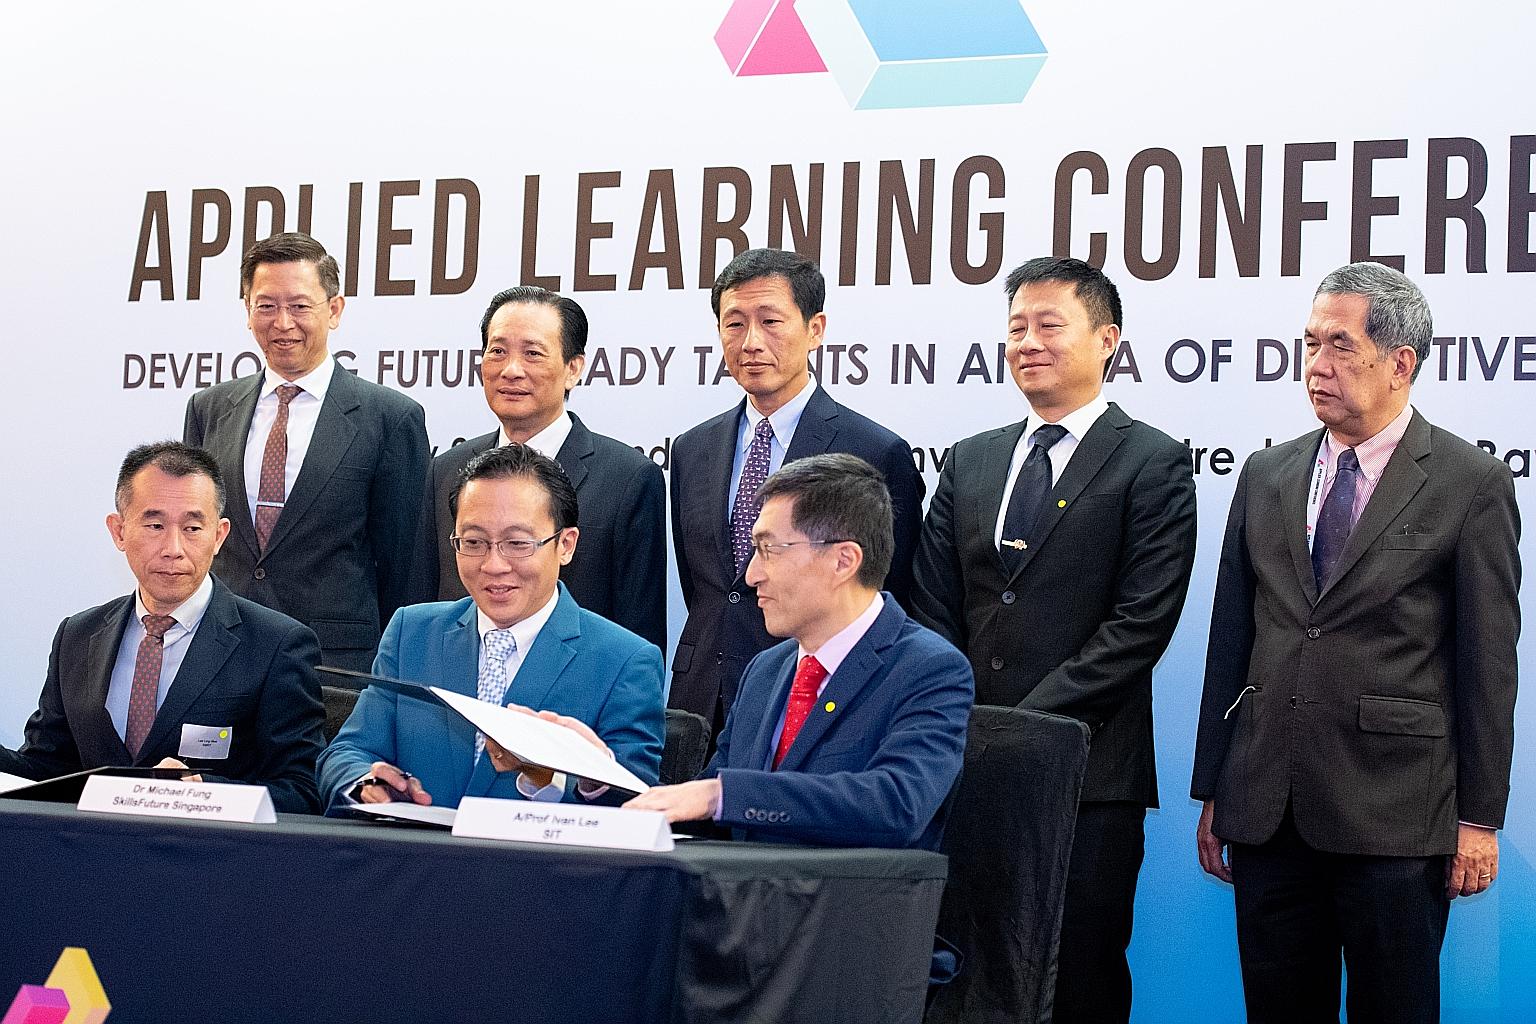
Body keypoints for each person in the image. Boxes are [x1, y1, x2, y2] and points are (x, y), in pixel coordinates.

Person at [1191, 262, 1519, 1024]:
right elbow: (1231, 637)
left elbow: (1487, 665)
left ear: (1400, 362)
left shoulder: (1470, 484)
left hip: (1397, 814)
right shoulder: (1267, 473)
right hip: (1268, 807)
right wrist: (1215, 786)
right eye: (1309, 344)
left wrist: (1478, 819)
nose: (1315, 366)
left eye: (1340, 346)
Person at [911, 256, 1197, 1024]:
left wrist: (1024, 729)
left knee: (1079, 972)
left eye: (1048, 325)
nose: (1028, 342)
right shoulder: (969, 458)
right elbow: (934, 603)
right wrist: (962, 718)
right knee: (963, 969)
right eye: (1015, 328)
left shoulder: (1153, 460)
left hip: (1088, 774)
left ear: (1107, 340)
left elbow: (1139, 626)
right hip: (961, 763)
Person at [548, 454, 972, 849]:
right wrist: (599, 774)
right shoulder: (766, 671)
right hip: (743, 914)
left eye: (768, 549)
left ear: (843, 561)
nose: (750, 575)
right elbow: (704, 809)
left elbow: (897, 803)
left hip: (848, 918)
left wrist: (721, 795)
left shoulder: (929, 669)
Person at [317, 444, 664, 811]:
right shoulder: (412, 633)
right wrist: (364, 782)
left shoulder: (624, 661)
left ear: (565, 544)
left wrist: (583, 775)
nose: (494, 565)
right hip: (415, 862)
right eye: (474, 543)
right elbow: (348, 751)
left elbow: (636, 805)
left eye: (517, 543)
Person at [668, 247, 925, 741]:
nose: (751, 343)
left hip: (819, 698)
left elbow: (887, 593)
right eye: (734, 324)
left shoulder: (874, 450)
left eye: (770, 321)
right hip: (701, 698)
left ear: (815, 329)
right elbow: (705, 583)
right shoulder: (692, 448)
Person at [0, 442, 326, 813]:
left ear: (218, 536)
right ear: (119, 531)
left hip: (208, 862)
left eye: (191, 527)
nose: (173, 548)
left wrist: (206, 793)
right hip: (89, 860)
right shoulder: (77, 635)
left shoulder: (276, 644)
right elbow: (44, 771)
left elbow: (304, 792)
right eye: (155, 525)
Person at [183, 231, 430, 672]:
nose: (282, 323)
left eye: (299, 306)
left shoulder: (390, 418)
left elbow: (404, 567)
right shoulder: (209, 409)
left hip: (332, 664)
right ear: (247, 310)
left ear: (334, 310)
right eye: (267, 306)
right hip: (221, 652)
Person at [416, 286, 666, 649]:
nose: (511, 370)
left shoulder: (628, 478)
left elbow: (639, 632)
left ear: (573, 368)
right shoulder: (447, 471)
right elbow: (425, 604)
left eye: (532, 353)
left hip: (572, 697)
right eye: (497, 352)